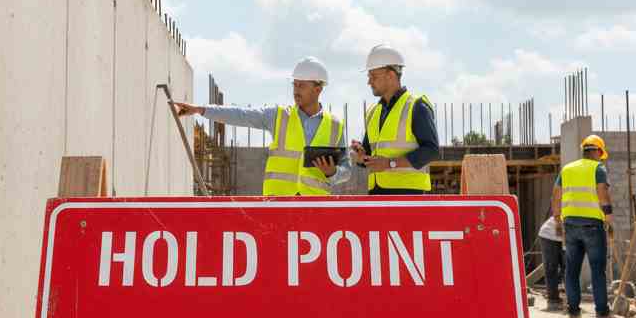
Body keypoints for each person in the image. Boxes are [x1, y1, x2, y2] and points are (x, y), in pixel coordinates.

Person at [172, 57, 349, 196]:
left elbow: (346, 170)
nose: (296, 90)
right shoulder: (279, 115)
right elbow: (242, 115)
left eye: (301, 85)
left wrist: (332, 172)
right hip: (278, 203)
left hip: (314, 208)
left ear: (318, 89)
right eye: (294, 84)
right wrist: (201, 110)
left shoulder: (335, 126)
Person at [551, 134, 625, 318]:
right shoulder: (597, 168)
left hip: (570, 226)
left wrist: (558, 220)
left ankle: (574, 314)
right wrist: (609, 219)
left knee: (571, 271)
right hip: (593, 226)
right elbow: (603, 193)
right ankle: (602, 314)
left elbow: (556, 195)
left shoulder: (567, 169)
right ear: (598, 152)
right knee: (597, 270)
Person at [350, 44, 439, 194]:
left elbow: (432, 150)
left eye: (374, 76)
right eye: (369, 77)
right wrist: (361, 157)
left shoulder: (416, 106)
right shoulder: (373, 112)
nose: (369, 82)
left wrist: (390, 163)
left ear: (390, 75)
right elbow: (371, 159)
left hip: (409, 197)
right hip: (376, 195)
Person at [537, 214, 565, 310]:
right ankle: (553, 300)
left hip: (564, 236)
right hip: (548, 235)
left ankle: (571, 302)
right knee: (551, 268)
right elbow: (563, 232)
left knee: (568, 269)